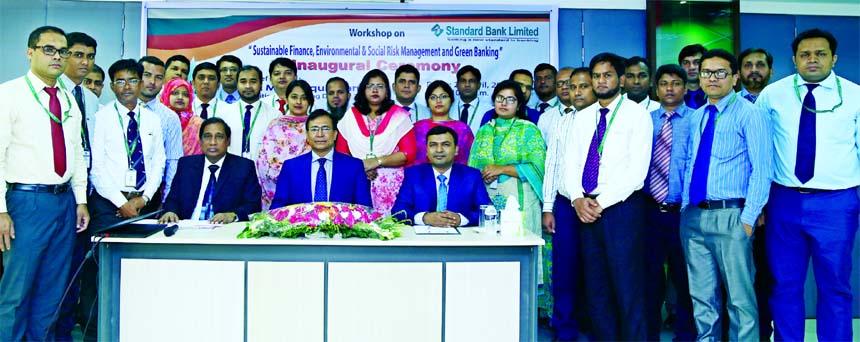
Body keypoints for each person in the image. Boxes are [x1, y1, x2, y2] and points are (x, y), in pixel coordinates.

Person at [757, 28, 859, 342]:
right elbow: (759, 150)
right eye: (805, 54)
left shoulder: (855, 95)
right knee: (784, 285)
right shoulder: (773, 94)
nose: (812, 59)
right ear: (794, 59)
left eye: (820, 53)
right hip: (783, 200)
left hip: (836, 203)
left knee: (834, 286)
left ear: (834, 58)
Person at [0, 26, 89, 342]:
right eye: (49, 49)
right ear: (30, 52)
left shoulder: (67, 98)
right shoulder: (8, 94)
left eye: (63, 51)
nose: (58, 57)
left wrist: (80, 200)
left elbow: (77, 153)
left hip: (63, 203)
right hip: (25, 203)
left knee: (52, 295)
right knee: (17, 293)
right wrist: (1, 211)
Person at [680, 49, 773, 341]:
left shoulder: (750, 113)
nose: (712, 78)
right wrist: (685, 207)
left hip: (731, 216)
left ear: (735, 77)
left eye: (721, 73)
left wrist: (747, 220)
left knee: (740, 299)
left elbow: (762, 170)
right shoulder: (696, 117)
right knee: (702, 298)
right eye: (706, 72)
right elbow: (690, 163)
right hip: (694, 216)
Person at [563, 52, 652, 340]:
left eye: (608, 75)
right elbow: (570, 163)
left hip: (621, 210)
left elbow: (636, 173)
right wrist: (577, 198)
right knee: (596, 288)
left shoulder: (637, 115)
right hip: (585, 208)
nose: (601, 81)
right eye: (597, 76)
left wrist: (599, 203)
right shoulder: (582, 116)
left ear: (622, 79)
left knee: (627, 287)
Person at [85, 59, 167, 340]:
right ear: (112, 86)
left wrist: (143, 198)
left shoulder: (152, 118)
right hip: (109, 205)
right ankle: (96, 333)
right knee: (103, 274)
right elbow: (96, 168)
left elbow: (159, 163)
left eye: (132, 80)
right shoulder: (102, 118)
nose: (127, 86)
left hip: (145, 205)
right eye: (120, 81)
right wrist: (121, 202)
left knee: (142, 270)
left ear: (141, 82)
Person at [469, 79, 546, 279]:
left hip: (520, 198)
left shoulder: (528, 129)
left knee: (519, 256)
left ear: (519, 104)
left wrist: (501, 169)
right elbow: (472, 166)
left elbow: (538, 166)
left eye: (510, 99)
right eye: (500, 98)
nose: (504, 103)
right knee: (490, 258)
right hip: (489, 200)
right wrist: (483, 173)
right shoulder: (485, 130)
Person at [540, 66, 595, 341]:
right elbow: (552, 165)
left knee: (597, 269)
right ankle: (565, 328)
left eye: (583, 86)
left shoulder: (607, 119)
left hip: (600, 204)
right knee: (564, 267)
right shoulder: (563, 121)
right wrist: (548, 206)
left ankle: (597, 326)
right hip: (564, 204)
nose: (576, 92)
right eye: (572, 87)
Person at [643, 63, 696, 341]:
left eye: (676, 83)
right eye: (664, 83)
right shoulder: (645, 121)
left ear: (685, 87)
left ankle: (684, 336)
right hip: (650, 212)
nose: (670, 89)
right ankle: (649, 335)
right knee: (650, 280)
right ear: (656, 87)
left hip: (683, 213)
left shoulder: (697, 120)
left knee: (685, 279)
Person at [56, 31, 99, 341]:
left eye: (90, 56)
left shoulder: (91, 98)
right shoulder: (52, 93)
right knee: (50, 274)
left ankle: (64, 332)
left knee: (74, 273)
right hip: (52, 195)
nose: (85, 62)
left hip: (84, 195)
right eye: (78, 55)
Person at [336, 69, 416, 215]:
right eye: (370, 86)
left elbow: (408, 153)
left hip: (391, 186)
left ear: (387, 92)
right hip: (357, 181)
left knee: (393, 229)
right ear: (363, 90)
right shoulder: (350, 116)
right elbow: (341, 154)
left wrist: (377, 161)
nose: (374, 90)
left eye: (380, 86)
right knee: (360, 228)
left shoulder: (400, 116)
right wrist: (361, 169)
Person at [737, 46, 775, 341]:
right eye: (748, 65)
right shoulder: (729, 107)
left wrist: (762, 204)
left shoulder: (781, 104)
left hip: (778, 204)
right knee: (737, 278)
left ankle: (762, 334)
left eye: (760, 65)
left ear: (770, 71)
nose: (754, 70)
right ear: (738, 74)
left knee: (766, 275)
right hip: (740, 207)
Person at [159, 117, 262, 223]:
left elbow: (253, 204)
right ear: (200, 141)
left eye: (219, 137)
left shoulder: (243, 167)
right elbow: (173, 199)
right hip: (188, 228)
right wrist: (171, 211)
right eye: (207, 137)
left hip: (224, 230)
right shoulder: (186, 165)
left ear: (228, 141)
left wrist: (232, 215)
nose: (213, 142)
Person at [272, 109, 372, 208]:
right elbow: (277, 209)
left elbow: (365, 209)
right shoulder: (291, 167)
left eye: (325, 129)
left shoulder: (354, 166)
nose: (320, 134)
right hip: (300, 224)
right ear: (307, 136)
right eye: (314, 129)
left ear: (335, 134)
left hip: (343, 224)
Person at [393, 125, 491, 226]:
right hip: (422, 239)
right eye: (433, 145)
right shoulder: (413, 175)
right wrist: (425, 218)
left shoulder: (471, 176)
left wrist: (460, 219)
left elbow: (488, 210)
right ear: (426, 150)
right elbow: (398, 211)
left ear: (456, 150)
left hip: (461, 238)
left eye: (446, 144)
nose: (439, 150)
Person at [256, 80, 313, 210]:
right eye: (294, 97)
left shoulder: (314, 125)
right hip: (274, 185)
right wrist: (284, 178)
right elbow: (264, 159)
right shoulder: (275, 124)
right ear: (286, 99)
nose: (298, 102)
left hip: (306, 184)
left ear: (309, 101)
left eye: (304, 98)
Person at [137, 56, 183, 204]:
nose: (152, 82)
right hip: (115, 193)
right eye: (147, 75)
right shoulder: (117, 110)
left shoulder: (170, 118)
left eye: (158, 77)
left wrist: (167, 202)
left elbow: (173, 161)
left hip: (151, 194)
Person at [216, 65, 276, 161]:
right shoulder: (224, 113)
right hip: (230, 171)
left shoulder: (274, 115)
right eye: (243, 82)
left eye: (253, 81)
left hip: (261, 173)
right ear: (237, 84)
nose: (248, 86)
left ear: (261, 84)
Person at [413, 80, 474, 165]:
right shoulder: (417, 128)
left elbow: (471, 160)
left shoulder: (463, 129)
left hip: (456, 176)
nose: (438, 101)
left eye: (443, 96)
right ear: (427, 102)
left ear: (451, 100)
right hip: (421, 176)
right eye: (433, 97)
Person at [160, 78, 202, 156]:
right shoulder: (158, 119)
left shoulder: (197, 124)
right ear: (166, 94)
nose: (180, 97)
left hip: (189, 166)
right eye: (175, 93)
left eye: (185, 95)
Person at [449, 65, 491, 134]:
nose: (467, 85)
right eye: (463, 81)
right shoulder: (449, 108)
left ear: (479, 85)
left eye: (471, 81)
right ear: (457, 85)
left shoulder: (488, 110)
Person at [537, 66, 575, 140]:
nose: (564, 87)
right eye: (559, 83)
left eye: (568, 82)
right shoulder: (545, 118)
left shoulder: (587, 114)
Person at [679, 44, 708, 109]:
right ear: (680, 66)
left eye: (697, 62)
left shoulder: (714, 95)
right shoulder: (674, 96)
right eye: (686, 63)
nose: (691, 67)